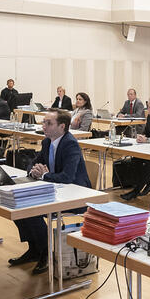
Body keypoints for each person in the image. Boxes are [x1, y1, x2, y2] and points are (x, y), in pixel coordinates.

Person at [9, 112, 91, 275]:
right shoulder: (47, 142)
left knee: (31, 212)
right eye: (44, 122)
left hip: (76, 196)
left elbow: (67, 177)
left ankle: (46, 253)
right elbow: (34, 162)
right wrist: (33, 172)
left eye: (48, 123)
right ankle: (34, 250)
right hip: (55, 189)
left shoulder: (70, 144)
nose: (43, 126)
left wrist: (44, 175)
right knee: (18, 205)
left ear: (62, 126)